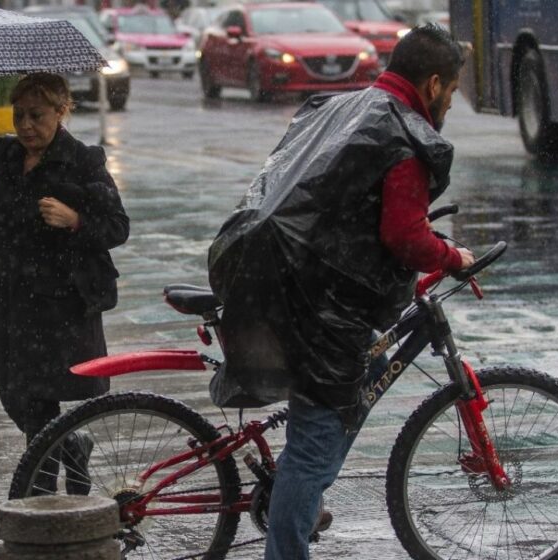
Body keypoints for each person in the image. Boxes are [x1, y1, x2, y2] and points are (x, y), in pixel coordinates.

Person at [210, 26, 475, 559]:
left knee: (350, 395)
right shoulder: (404, 135)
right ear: (432, 82)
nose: (452, 101)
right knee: (313, 447)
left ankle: (298, 498)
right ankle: (291, 528)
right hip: (317, 308)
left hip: (274, 277)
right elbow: (402, 234)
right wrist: (451, 257)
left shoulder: (341, 107)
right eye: (452, 89)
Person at [0, 73, 129, 492]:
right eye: (19, 115)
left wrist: (75, 222)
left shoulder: (83, 160)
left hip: (60, 299)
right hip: (9, 294)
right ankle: (71, 444)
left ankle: (41, 494)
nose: (26, 125)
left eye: (37, 115)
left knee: (42, 395)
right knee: (14, 393)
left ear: (61, 111)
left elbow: (117, 227)